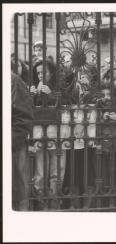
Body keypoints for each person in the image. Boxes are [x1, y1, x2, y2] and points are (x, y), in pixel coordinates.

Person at [29, 59, 66, 209]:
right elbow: (26, 110)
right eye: (37, 73)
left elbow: (67, 104)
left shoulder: (60, 87)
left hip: (57, 135)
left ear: (51, 73)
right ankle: (41, 203)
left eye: (43, 72)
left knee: (57, 172)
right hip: (39, 134)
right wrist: (30, 95)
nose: (40, 76)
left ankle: (54, 201)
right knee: (40, 173)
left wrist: (51, 94)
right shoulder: (32, 88)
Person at [12, 72, 34, 211]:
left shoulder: (12, 80)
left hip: (12, 148)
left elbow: (23, 118)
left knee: (18, 196)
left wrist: (9, 142)